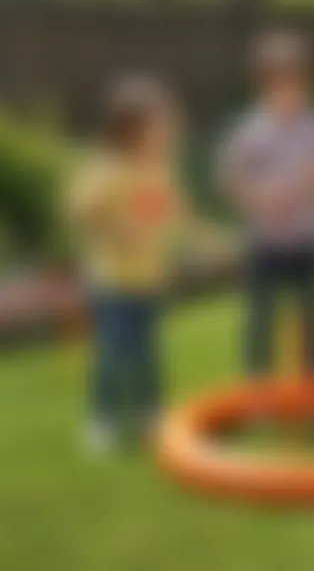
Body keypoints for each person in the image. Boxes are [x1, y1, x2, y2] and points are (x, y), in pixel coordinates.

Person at [216, 30, 314, 378]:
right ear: (265, 86)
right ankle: (257, 384)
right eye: (283, 85)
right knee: (261, 315)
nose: (293, 94)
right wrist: (260, 198)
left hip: (309, 239)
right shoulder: (251, 130)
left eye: (300, 85)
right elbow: (230, 179)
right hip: (266, 242)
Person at [68, 75, 187, 452]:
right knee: (114, 354)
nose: (169, 132)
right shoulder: (108, 169)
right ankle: (101, 420)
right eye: (161, 125)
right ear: (130, 131)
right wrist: (115, 229)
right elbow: (81, 209)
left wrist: (188, 237)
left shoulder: (157, 168)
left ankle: (152, 414)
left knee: (148, 353)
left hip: (147, 280)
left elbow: (164, 212)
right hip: (114, 283)